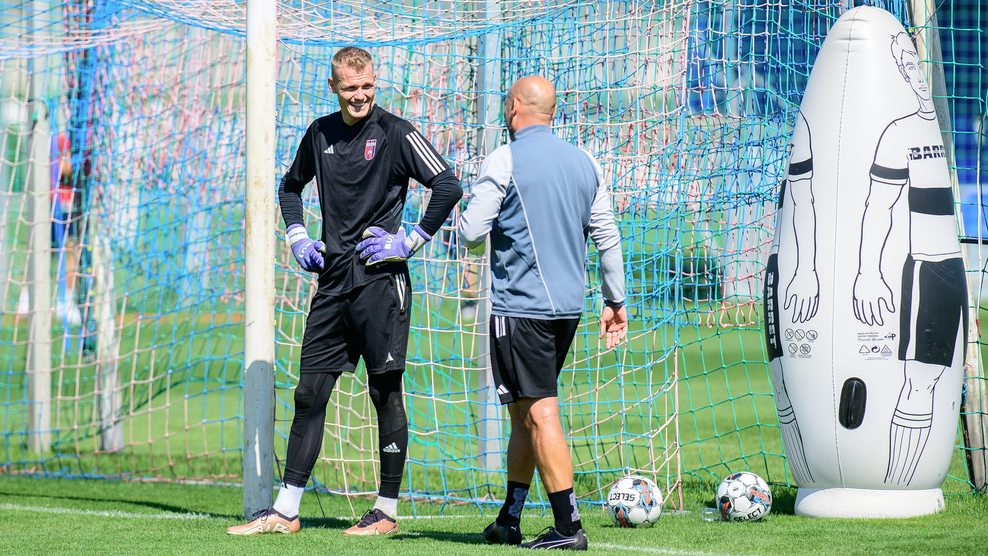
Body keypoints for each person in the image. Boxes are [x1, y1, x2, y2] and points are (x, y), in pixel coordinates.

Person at [227, 46, 462, 536]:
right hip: (332, 283)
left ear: (376, 82)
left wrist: (409, 241)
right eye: (351, 88)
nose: (360, 95)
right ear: (333, 87)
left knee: (384, 391)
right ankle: (286, 511)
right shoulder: (319, 133)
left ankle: (386, 511)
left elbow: (447, 185)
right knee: (309, 392)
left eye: (367, 86)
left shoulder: (396, 132)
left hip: (381, 283)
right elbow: (290, 187)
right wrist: (297, 236)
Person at [458, 75, 628, 550]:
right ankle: (509, 519)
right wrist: (615, 301)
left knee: (540, 411)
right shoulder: (586, 161)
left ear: (514, 107)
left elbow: (471, 232)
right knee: (523, 412)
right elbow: (607, 237)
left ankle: (569, 527)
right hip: (568, 309)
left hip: (521, 308)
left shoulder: (504, 158)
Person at [852, 32, 966, 486]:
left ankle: (916, 489)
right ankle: (895, 486)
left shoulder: (940, 127)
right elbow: (877, 207)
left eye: (913, 59)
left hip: (955, 270)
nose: (911, 72)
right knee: (919, 382)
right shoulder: (897, 133)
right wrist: (867, 273)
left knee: (939, 382)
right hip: (925, 270)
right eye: (901, 63)